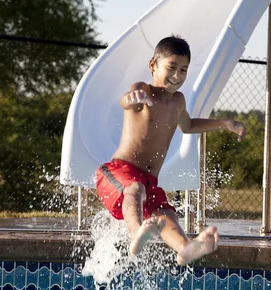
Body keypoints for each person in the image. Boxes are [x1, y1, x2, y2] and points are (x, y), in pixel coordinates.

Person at [95, 36, 246, 265]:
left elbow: (189, 126)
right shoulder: (142, 90)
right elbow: (125, 101)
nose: (177, 76)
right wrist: (132, 98)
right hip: (117, 173)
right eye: (171, 68)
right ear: (153, 65)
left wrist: (224, 123)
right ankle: (136, 232)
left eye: (183, 70)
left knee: (167, 215)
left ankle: (186, 248)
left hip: (148, 181)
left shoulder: (178, 101)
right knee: (134, 188)